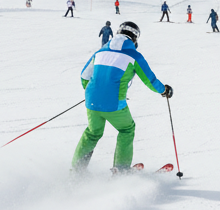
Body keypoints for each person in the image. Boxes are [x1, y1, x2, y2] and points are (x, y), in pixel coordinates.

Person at [73, 21, 171, 174]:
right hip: (113, 104)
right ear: (135, 38)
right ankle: (121, 169)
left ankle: (76, 170)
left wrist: (94, 91)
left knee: (93, 133)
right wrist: (163, 90)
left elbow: (84, 76)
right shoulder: (134, 56)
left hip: (91, 101)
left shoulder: (100, 52)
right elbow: (149, 80)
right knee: (127, 129)